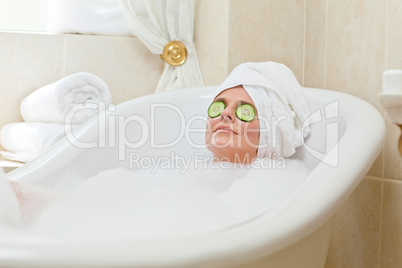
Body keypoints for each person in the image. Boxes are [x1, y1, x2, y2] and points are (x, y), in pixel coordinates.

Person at [4, 61, 311, 226]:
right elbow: (124, 206)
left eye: (245, 110)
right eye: (218, 107)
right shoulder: (183, 171)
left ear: (271, 131)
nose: (226, 114)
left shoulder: (271, 187)